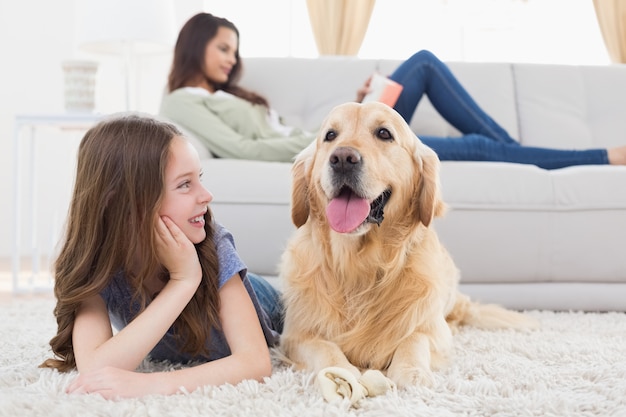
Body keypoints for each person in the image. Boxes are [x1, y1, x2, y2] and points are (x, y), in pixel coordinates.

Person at [160, 13, 626, 170]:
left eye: (233, 50)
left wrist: (359, 103)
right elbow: (242, 148)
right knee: (480, 148)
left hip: (339, 133)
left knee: (422, 65)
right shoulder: (182, 102)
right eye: (222, 47)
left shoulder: (233, 94)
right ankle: (599, 157)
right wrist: (320, 141)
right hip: (327, 146)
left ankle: (514, 151)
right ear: (194, 44)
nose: (229, 58)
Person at [41, 114, 283, 399]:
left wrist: (151, 384)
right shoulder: (95, 265)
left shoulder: (214, 244)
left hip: (277, 307)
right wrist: (182, 283)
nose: (207, 195)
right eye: (184, 185)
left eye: (199, 179)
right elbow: (95, 368)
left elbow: (255, 363)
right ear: (123, 202)